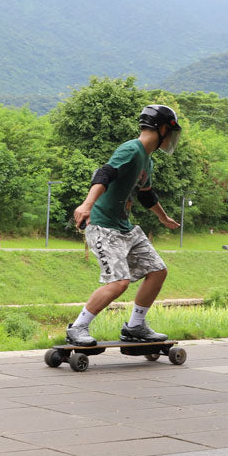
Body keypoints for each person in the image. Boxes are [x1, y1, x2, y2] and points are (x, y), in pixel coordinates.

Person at [68, 104, 182, 346]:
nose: (171, 138)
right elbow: (104, 174)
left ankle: (135, 326)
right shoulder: (131, 149)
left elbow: (146, 194)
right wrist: (87, 205)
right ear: (162, 128)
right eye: (170, 131)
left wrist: (162, 217)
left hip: (124, 227)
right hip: (102, 225)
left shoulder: (147, 160)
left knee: (157, 270)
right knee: (119, 282)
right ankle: (78, 327)